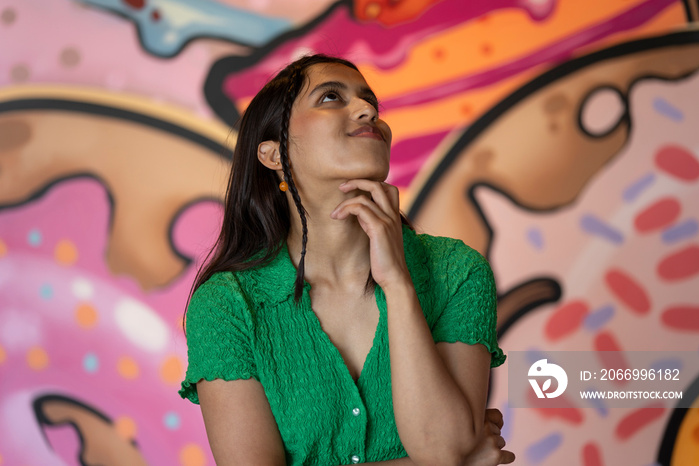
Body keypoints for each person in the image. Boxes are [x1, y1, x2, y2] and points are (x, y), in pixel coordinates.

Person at [179, 54, 515, 466]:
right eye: (330, 97)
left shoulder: (457, 272)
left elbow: (443, 448)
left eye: (370, 101)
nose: (368, 110)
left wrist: (398, 284)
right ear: (274, 155)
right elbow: (454, 459)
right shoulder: (228, 306)